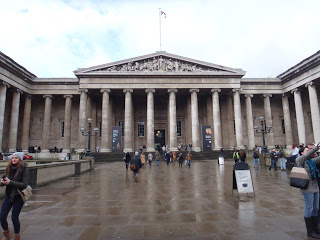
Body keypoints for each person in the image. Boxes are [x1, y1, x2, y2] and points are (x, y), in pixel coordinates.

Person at [0, 152, 29, 240]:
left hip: (18, 196)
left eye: (16, 158)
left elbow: (24, 184)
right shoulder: (8, 168)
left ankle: (17, 236)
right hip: (9, 195)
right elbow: (6, 182)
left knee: (14, 217)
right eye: (13, 158)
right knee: (2, 216)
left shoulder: (24, 169)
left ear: (19, 160)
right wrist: (2, 182)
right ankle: (6, 234)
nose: (14, 159)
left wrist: (10, 182)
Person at [296, 143, 320, 239]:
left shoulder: (311, 161)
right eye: (306, 150)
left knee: (316, 208)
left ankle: (315, 229)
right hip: (307, 188)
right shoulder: (299, 160)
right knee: (309, 208)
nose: (308, 152)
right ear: (302, 153)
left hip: (315, 187)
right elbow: (306, 155)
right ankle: (310, 231)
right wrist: (316, 147)